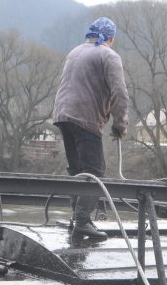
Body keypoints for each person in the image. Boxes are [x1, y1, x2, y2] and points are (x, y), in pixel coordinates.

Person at [53, 16, 130, 241]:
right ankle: (83, 222)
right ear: (111, 38)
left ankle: (75, 219)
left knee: (77, 170)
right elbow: (120, 93)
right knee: (95, 172)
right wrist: (119, 125)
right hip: (84, 117)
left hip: (62, 115)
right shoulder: (109, 55)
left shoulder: (75, 52)